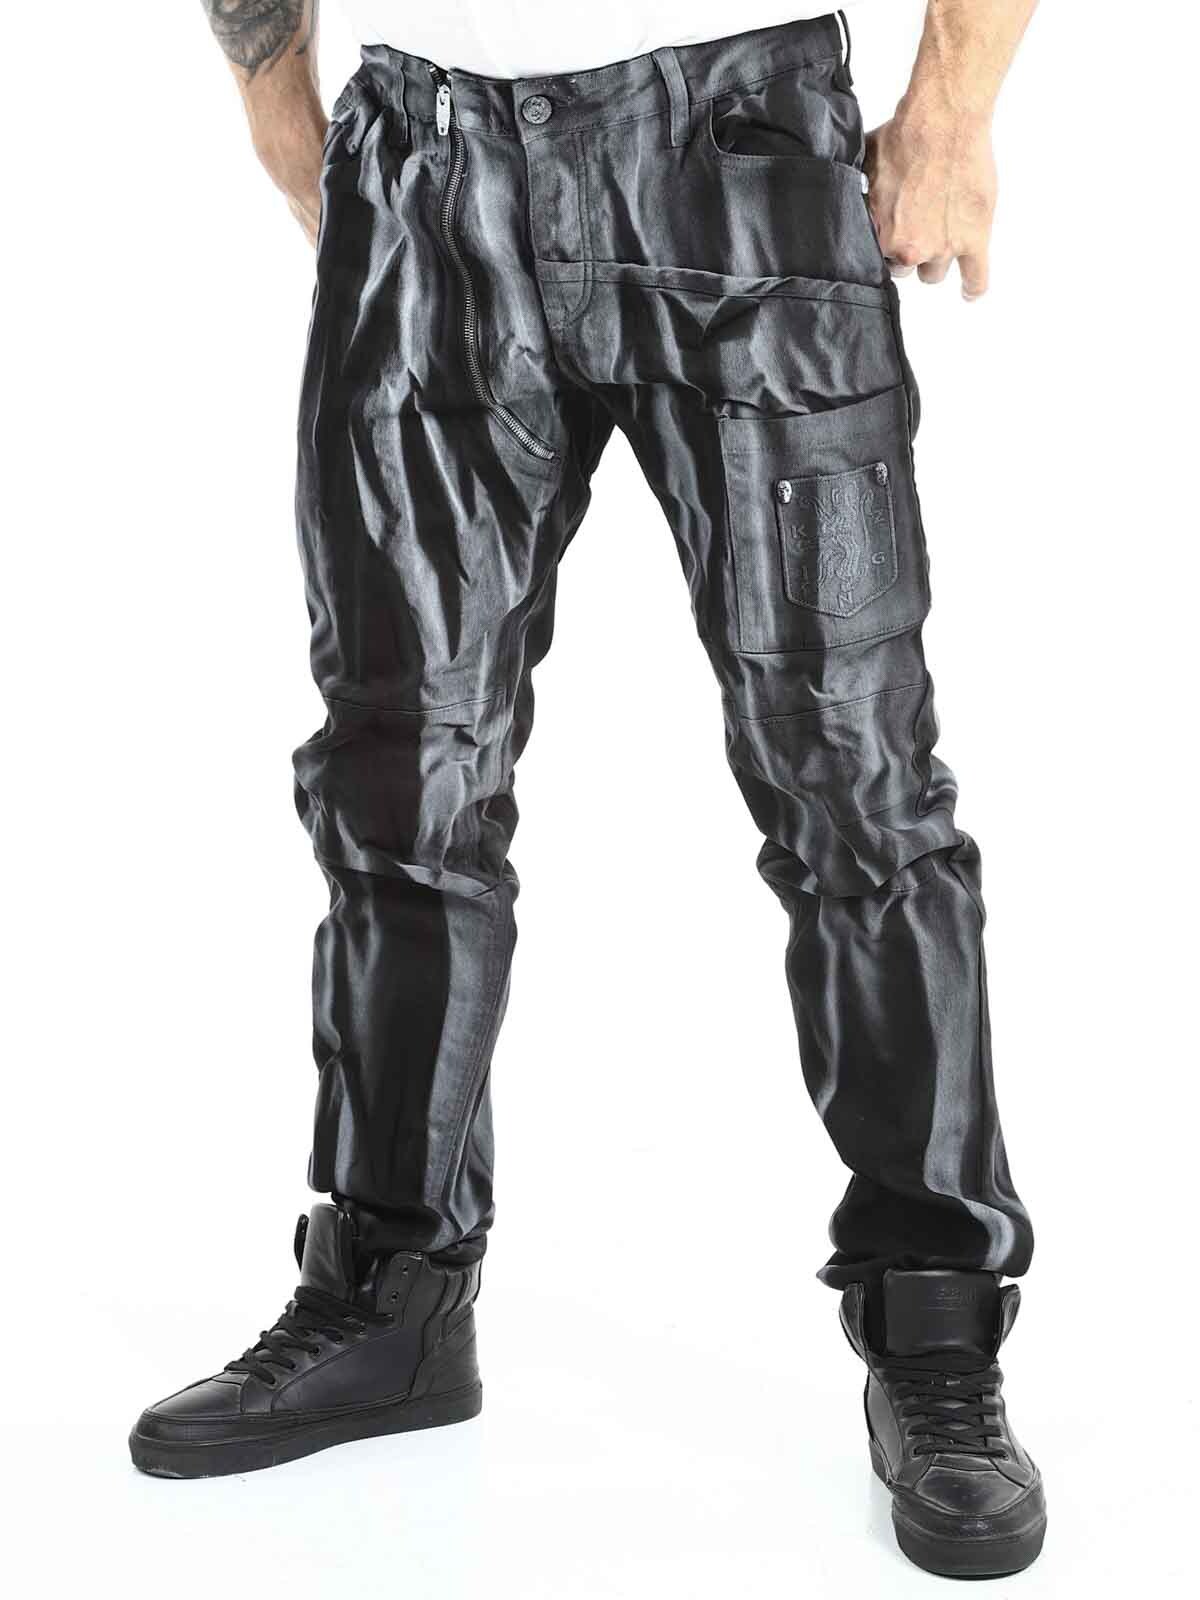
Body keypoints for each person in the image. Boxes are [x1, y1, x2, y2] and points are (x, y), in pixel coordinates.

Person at [130, 0, 1045, 1577]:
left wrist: (954, 103)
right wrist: (270, 79)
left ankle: (937, 1333)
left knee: (853, 779)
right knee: (398, 776)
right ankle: (392, 1299)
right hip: (423, 164)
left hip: (740, 154)